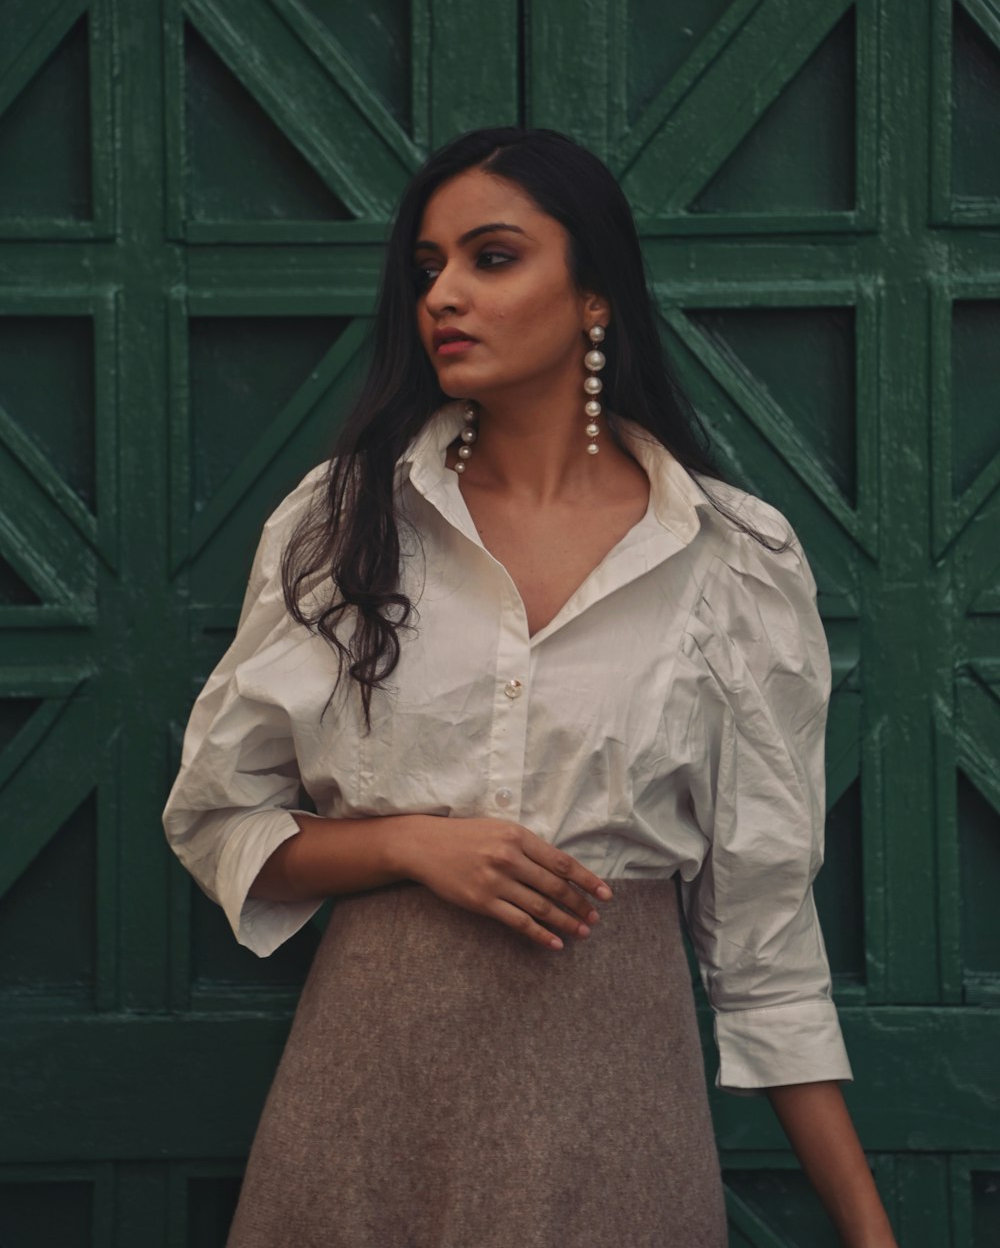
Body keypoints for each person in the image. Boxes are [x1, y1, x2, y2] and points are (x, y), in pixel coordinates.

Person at [162, 126, 897, 1248]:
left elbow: (762, 945)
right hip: (366, 1101)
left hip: (618, 1110)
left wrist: (869, 1231)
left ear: (594, 294)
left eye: (490, 258)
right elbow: (216, 818)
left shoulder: (730, 560)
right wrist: (408, 845)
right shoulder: (343, 522)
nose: (443, 294)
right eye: (427, 268)